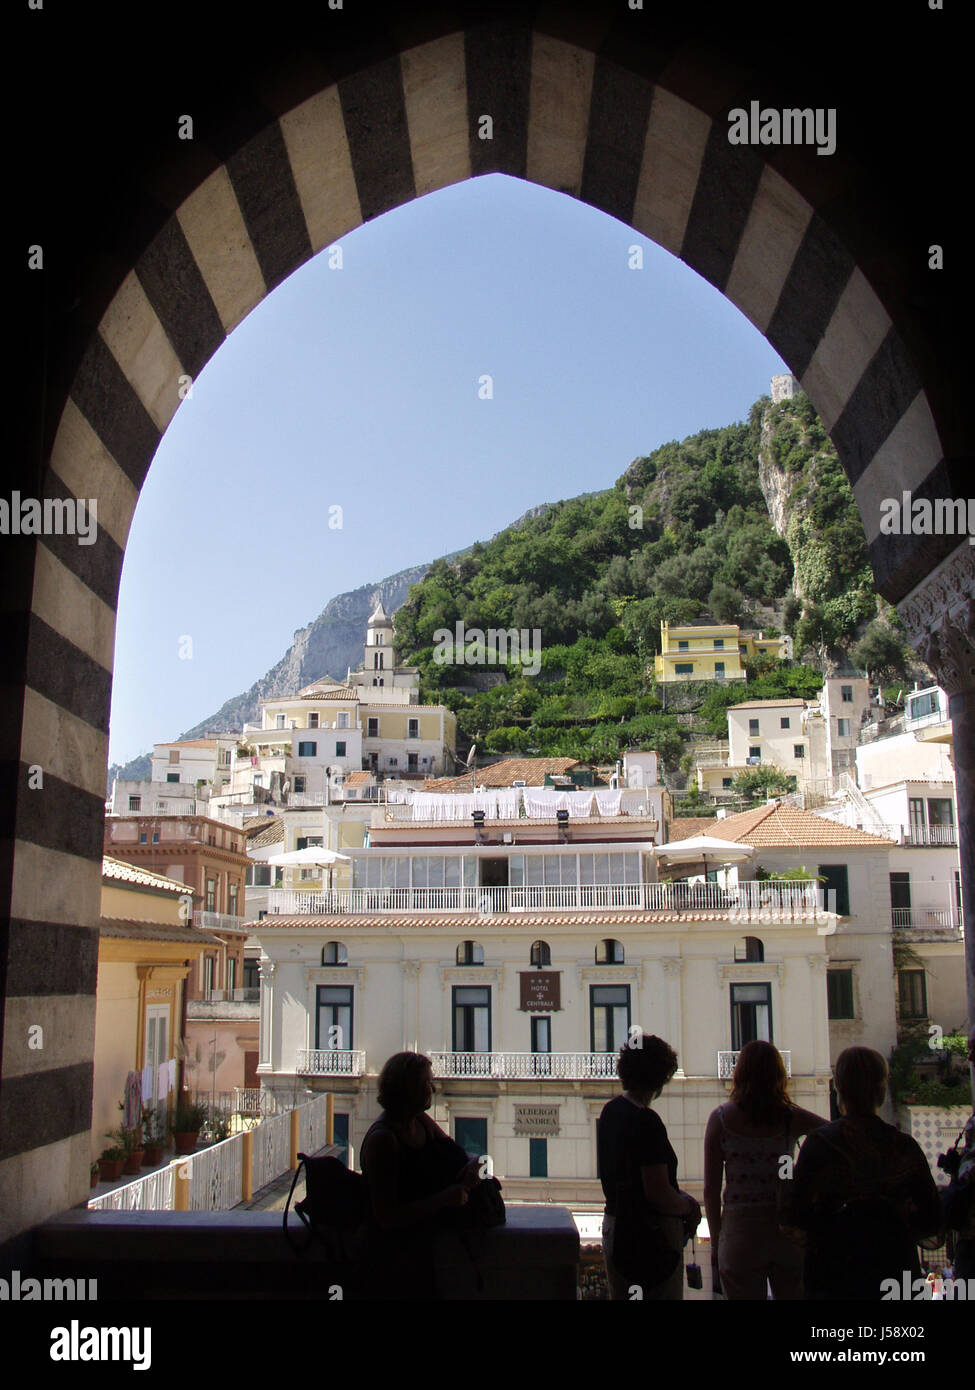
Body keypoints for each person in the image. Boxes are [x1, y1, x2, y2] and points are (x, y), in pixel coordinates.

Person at [790, 1046, 942, 1300]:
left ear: (839, 1088)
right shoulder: (903, 1147)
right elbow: (930, 1219)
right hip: (894, 1270)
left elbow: (797, 1214)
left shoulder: (819, 1145)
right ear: (880, 1088)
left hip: (832, 1273)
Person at [704, 1040, 827, 1300]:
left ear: (740, 1073)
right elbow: (831, 1135)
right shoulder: (789, 1117)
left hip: (739, 1232)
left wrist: (717, 1241)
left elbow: (711, 1190)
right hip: (784, 1229)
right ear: (778, 1075)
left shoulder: (721, 1119)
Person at [358, 1051, 480, 1297]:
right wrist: (445, 1198)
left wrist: (472, 1166)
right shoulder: (383, 1140)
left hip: (421, 1253)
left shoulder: (421, 1122)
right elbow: (387, 1216)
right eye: (425, 1082)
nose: (432, 1088)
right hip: (392, 1264)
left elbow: (455, 1153)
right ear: (406, 1087)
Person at [598, 1034, 700, 1300]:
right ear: (659, 1078)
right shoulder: (647, 1121)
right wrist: (688, 1206)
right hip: (649, 1239)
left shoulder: (610, 1112)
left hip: (615, 1227)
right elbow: (657, 1193)